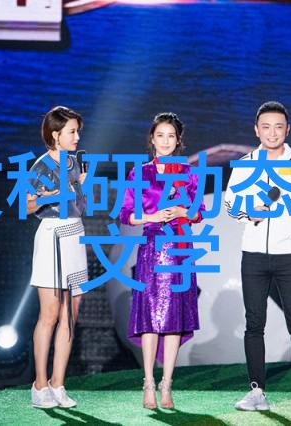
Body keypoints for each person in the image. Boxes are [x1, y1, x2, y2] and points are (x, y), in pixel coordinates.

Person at [224, 101, 291, 414]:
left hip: (289, 255)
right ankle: (257, 392)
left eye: (278, 126)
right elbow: (230, 205)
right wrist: (249, 212)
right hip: (253, 255)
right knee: (254, 324)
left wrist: (289, 223)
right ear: (256, 130)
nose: (272, 132)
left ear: (287, 130)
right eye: (266, 127)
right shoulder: (245, 165)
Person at [120, 112, 205, 410]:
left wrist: (183, 212)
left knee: (173, 320)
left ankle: (167, 383)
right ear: (152, 139)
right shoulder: (140, 173)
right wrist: (152, 216)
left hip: (180, 248)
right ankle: (148, 382)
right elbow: (126, 214)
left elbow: (199, 212)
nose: (166, 141)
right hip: (152, 249)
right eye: (160, 136)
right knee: (150, 318)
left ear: (178, 140)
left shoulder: (190, 173)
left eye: (171, 136)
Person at [27, 106, 88, 409]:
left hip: (76, 233)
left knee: (70, 315)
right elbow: (26, 205)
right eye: (71, 132)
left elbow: (79, 205)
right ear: (55, 134)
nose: (77, 137)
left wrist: (82, 187)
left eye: (77, 131)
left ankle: (58, 383)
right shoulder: (41, 166)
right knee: (50, 314)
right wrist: (50, 196)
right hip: (52, 234)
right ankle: (39, 385)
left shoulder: (76, 164)